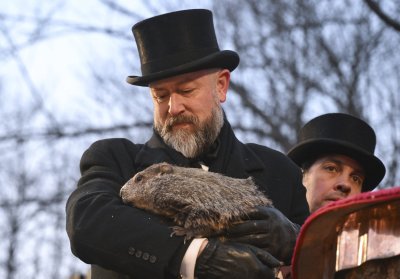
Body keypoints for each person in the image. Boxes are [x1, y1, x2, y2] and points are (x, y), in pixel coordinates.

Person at [66, 9, 309, 279]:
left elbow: (322, 262)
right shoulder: (117, 160)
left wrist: (296, 238)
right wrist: (196, 257)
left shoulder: (279, 171)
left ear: (221, 86)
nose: (173, 107)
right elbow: (86, 223)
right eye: (160, 95)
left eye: (186, 90)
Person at [287, 112, 386, 213]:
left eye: (356, 179)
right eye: (331, 168)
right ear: (301, 176)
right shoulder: (273, 225)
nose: (345, 184)